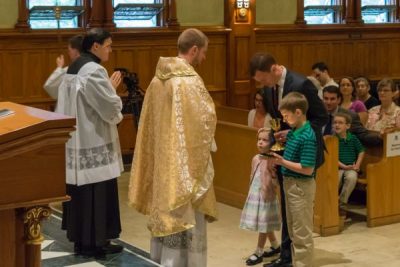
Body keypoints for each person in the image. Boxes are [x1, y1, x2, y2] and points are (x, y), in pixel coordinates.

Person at [128, 28, 217, 267]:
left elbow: (148, 126)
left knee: (167, 218)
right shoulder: (188, 82)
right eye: (204, 53)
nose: (204, 59)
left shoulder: (157, 80)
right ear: (194, 49)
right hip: (184, 166)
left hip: (163, 165)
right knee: (186, 219)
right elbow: (204, 122)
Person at [249, 52, 328, 267]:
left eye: (263, 79)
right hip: (284, 152)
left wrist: (295, 133)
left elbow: (322, 117)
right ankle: (286, 257)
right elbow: (277, 122)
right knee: (287, 210)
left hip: (304, 152)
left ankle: (293, 259)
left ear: (274, 69)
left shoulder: (302, 84)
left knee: (298, 211)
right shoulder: (267, 88)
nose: (262, 84)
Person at [57, 28, 124, 257]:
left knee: (81, 193)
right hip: (93, 139)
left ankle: (81, 240)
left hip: (76, 141)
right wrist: (113, 92)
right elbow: (108, 108)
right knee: (97, 191)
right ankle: (96, 242)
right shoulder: (94, 71)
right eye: (108, 45)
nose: (110, 50)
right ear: (95, 46)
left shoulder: (72, 69)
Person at [270, 92, 317, 267]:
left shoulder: (308, 137)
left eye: (286, 116)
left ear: (298, 112)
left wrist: (282, 161)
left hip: (301, 187)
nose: (285, 119)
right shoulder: (296, 131)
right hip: (291, 185)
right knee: (292, 230)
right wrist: (286, 136)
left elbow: (307, 169)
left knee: (302, 233)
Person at [240, 128, 281, 266]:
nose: (261, 143)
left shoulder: (273, 159)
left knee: (263, 224)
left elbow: (275, 183)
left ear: (272, 143)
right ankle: (275, 245)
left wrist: (274, 176)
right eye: (259, 139)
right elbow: (252, 176)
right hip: (255, 195)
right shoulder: (255, 158)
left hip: (266, 196)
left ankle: (259, 251)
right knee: (265, 222)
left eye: (265, 140)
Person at [333, 112, 365, 206]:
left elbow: (361, 151)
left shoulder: (353, 138)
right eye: (335, 122)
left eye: (340, 123)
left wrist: (357, 165)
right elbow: (332, 157)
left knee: (351, 177)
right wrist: (343, 166)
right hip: (338, 168)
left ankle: (342, 202)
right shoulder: (332, 139)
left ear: (347, 126)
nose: (337, 125)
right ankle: (332, 203)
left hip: (351, 167)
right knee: (336, 180)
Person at [44, 35, 83, 99]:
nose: (68, 53)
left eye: (69, 50)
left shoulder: (70, 70)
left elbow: (49, 86)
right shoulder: (94, 67)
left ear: (75, 51)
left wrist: (59, 68)